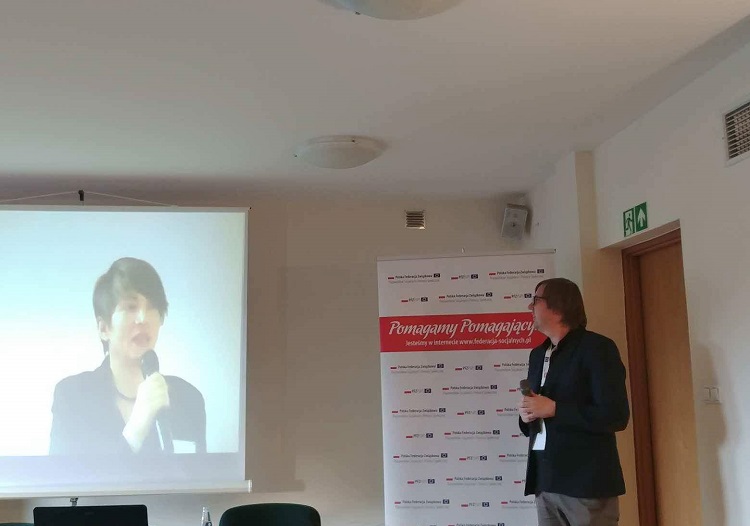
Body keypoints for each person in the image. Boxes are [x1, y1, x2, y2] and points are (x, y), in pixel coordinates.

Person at [50, 257, 206, 455]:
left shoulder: (188, 398)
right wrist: (135, 432)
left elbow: (200, 474)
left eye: (152, 307)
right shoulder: (72, 396)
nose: (143, 318)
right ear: (104, 329)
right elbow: (64, 474)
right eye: (131, 307)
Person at [518, 278, 629, 526]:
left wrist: (554, 409)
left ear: (558, 307)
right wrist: (527, 415)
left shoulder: (597, 349)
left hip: (586, 485)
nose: (530, 307)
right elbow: (538, 416)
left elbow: (615, 415)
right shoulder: (537, 355)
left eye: (535, 300)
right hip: (545, 481)